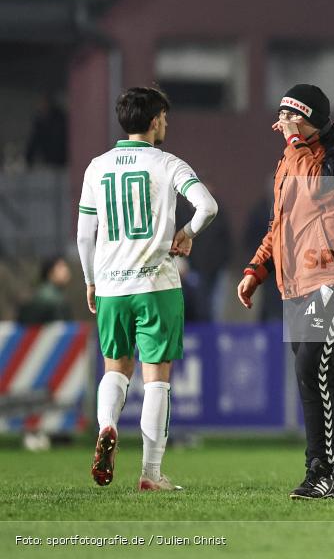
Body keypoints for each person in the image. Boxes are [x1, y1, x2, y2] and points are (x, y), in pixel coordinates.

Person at [76, 87, 218, 491]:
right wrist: (187, 233)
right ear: (155, 119)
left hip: (110, 284)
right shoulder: (168, 163)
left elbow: (85, 234)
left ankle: (107, 426)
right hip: (156, 283)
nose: (167, 125)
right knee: (156, 379)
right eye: (165, 118)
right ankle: (151, 474)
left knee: (115, 367)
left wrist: (90, 279)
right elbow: (207, 206)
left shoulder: (96, 167)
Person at [237, 84, 334, 500]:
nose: (281, 124)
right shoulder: (291, 160)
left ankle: (322, 472)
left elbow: (316, 191)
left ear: (308, 116)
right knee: (321, 377)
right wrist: (257, 268)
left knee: (311, 368)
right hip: (296, 284)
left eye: (289, 116)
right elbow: (281, 224)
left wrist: (295, 143)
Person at [18, 256, 73, 323]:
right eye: (60, 267)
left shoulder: (53, 293)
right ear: (50, 272)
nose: (66, 270)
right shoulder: (49, 297)